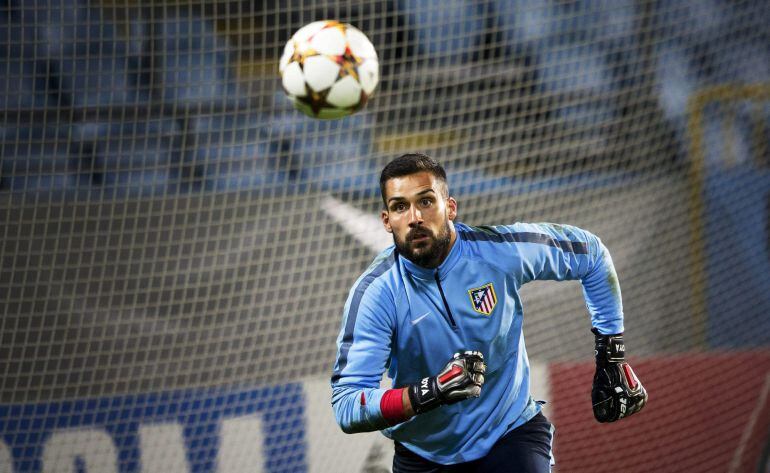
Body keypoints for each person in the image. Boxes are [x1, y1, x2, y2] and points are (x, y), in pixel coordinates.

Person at [330, 153, 647, 472]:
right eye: (400, 206)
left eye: (426, 202)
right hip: (424, 456)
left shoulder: (500, 252)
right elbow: (347, 405)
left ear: (450, 207)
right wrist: (430, 392)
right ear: (387, 220)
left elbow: (591, 255)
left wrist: (612, 356)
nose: (414, 217)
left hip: (510, 434)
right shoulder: (376, 294)